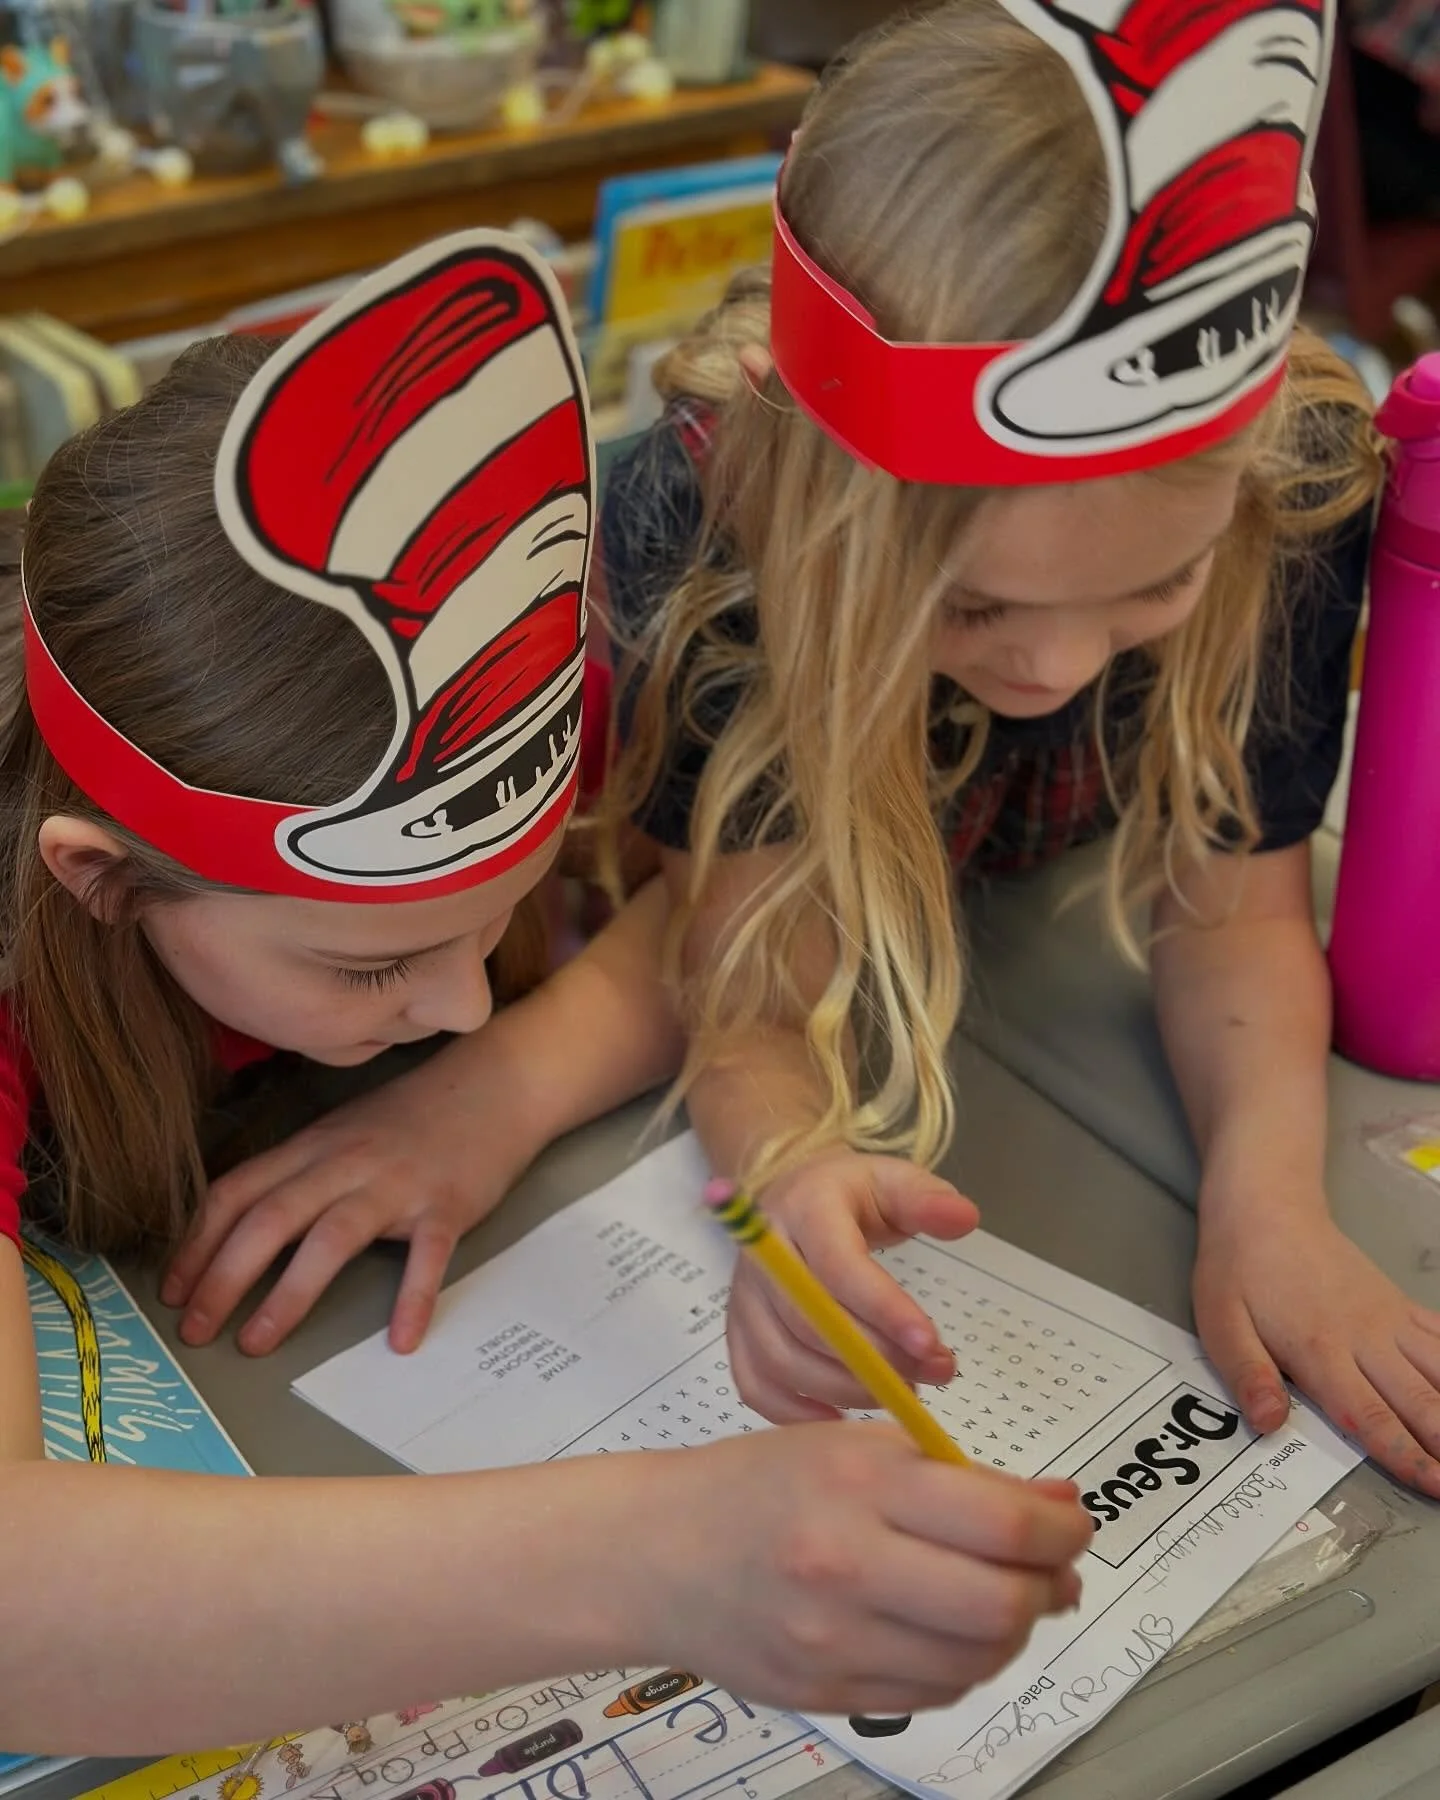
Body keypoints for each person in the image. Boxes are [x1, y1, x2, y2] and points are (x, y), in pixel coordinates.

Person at [0, 232, 1091, 1751]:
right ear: (101, 877)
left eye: (491, 925)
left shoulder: (508, 677)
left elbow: (699, 906)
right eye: (372, 960)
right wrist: (654, 1557)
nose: (458, 1004)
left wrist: (505, 1083)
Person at [598, 0, 1440, 1497]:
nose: (1051, 669)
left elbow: (1236, 905)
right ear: (821, 512)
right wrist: (791, 1170)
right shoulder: (709, 530)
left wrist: (1269, 1207)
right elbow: (749, 988)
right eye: (971, 603)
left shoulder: (1296, 480)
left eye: (1152, 589)